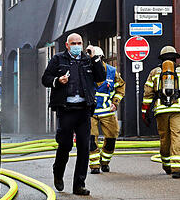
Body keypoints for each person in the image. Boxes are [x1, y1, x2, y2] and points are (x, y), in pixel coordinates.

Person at [41, 32, 106, 195]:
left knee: (84, 147)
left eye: (79, 43)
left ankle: (79, 185)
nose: (77, 46)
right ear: (67, 45)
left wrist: (95, 58)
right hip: (66, 109)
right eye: (74, 43)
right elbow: (45, 78)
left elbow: (101, 77)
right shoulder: (58, 59)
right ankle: (58, 172)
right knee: (65, 145)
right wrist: (57, 80)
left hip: (84, 109)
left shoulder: (87, 60)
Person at [142, 45, 180, 178]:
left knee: (164, 137)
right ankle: (177, 167)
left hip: (161, 110)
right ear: (175, 58)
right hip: (178, 109)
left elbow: (148, 93)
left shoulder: (154, 73)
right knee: (177, 136)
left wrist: (145, 112)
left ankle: (167, 165)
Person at [87, 47, 125, 174]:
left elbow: (120, 88)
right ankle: (94, 165)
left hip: (107, 111)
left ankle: (105, 161)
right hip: (90, 112)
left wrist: (115, 102)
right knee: (91, 139)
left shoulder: (111, 71)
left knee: (112, 137)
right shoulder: (85, 70)